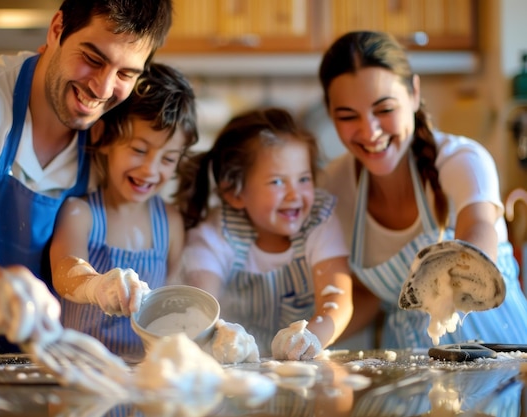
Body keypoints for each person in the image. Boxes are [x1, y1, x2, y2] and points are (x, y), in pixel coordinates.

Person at [0, 0, 173, 356]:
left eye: (125, 74)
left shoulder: (107, 144)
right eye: (93, 58)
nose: (103, 89)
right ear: (57, 28)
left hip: (21, 370)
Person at [317, 30, 527, 349]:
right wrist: (313, 338)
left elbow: (479, 228)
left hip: (498, 360)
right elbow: (363, 295)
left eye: (384, 110)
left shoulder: (462, 160)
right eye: (347, 116)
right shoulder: (333, 184)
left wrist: (457, 278)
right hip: (411, 370)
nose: (369, 131)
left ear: (414, 93)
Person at [175, 107, 353, 359]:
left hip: (304, 368)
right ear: (235, 193)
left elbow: (337, 300)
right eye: (277, 182)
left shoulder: (319, 221)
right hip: (236, 371)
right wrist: (227, 343)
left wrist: (310, 339)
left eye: (303, 179)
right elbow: (204, 307)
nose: (295, 195)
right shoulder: (215, 233)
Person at [49, 62, 198, 360]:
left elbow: (171, 298)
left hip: (146, 379)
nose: (150, 170)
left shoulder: (170, 221)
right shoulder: (81, 213)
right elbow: (64, 272)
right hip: (84, 376)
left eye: (168, 159)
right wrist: (97, 286)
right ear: (102, 136)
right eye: (139, 150)